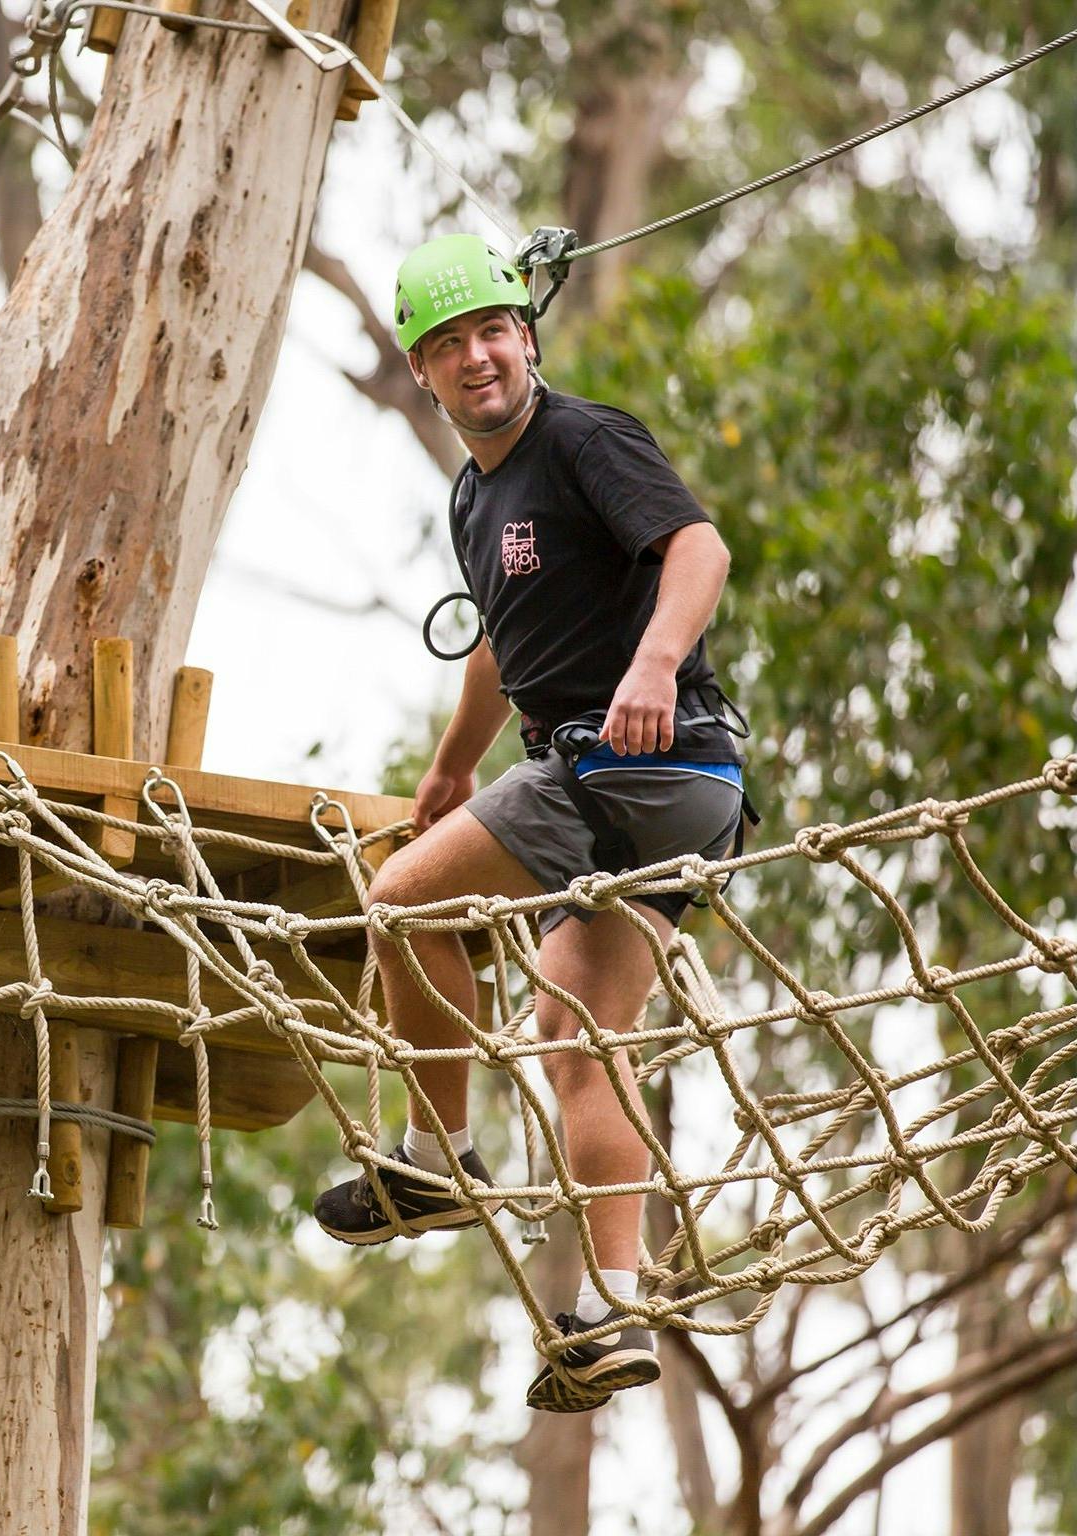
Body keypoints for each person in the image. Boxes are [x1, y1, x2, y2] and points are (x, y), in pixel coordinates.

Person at [312, 233, 755, 1415]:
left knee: (403, 903)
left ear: (526, 335)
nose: (475, 357)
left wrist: (653, 663)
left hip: (636, 764)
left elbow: (697, 547)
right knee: (572, 1040)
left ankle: (438, 1160)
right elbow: (504, 648)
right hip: (654, 800)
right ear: (417, 366)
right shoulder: (472, 496)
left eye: (491, 331)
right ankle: (609, 1312)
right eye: (447, 342)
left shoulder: (581, 438)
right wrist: (452, 769)